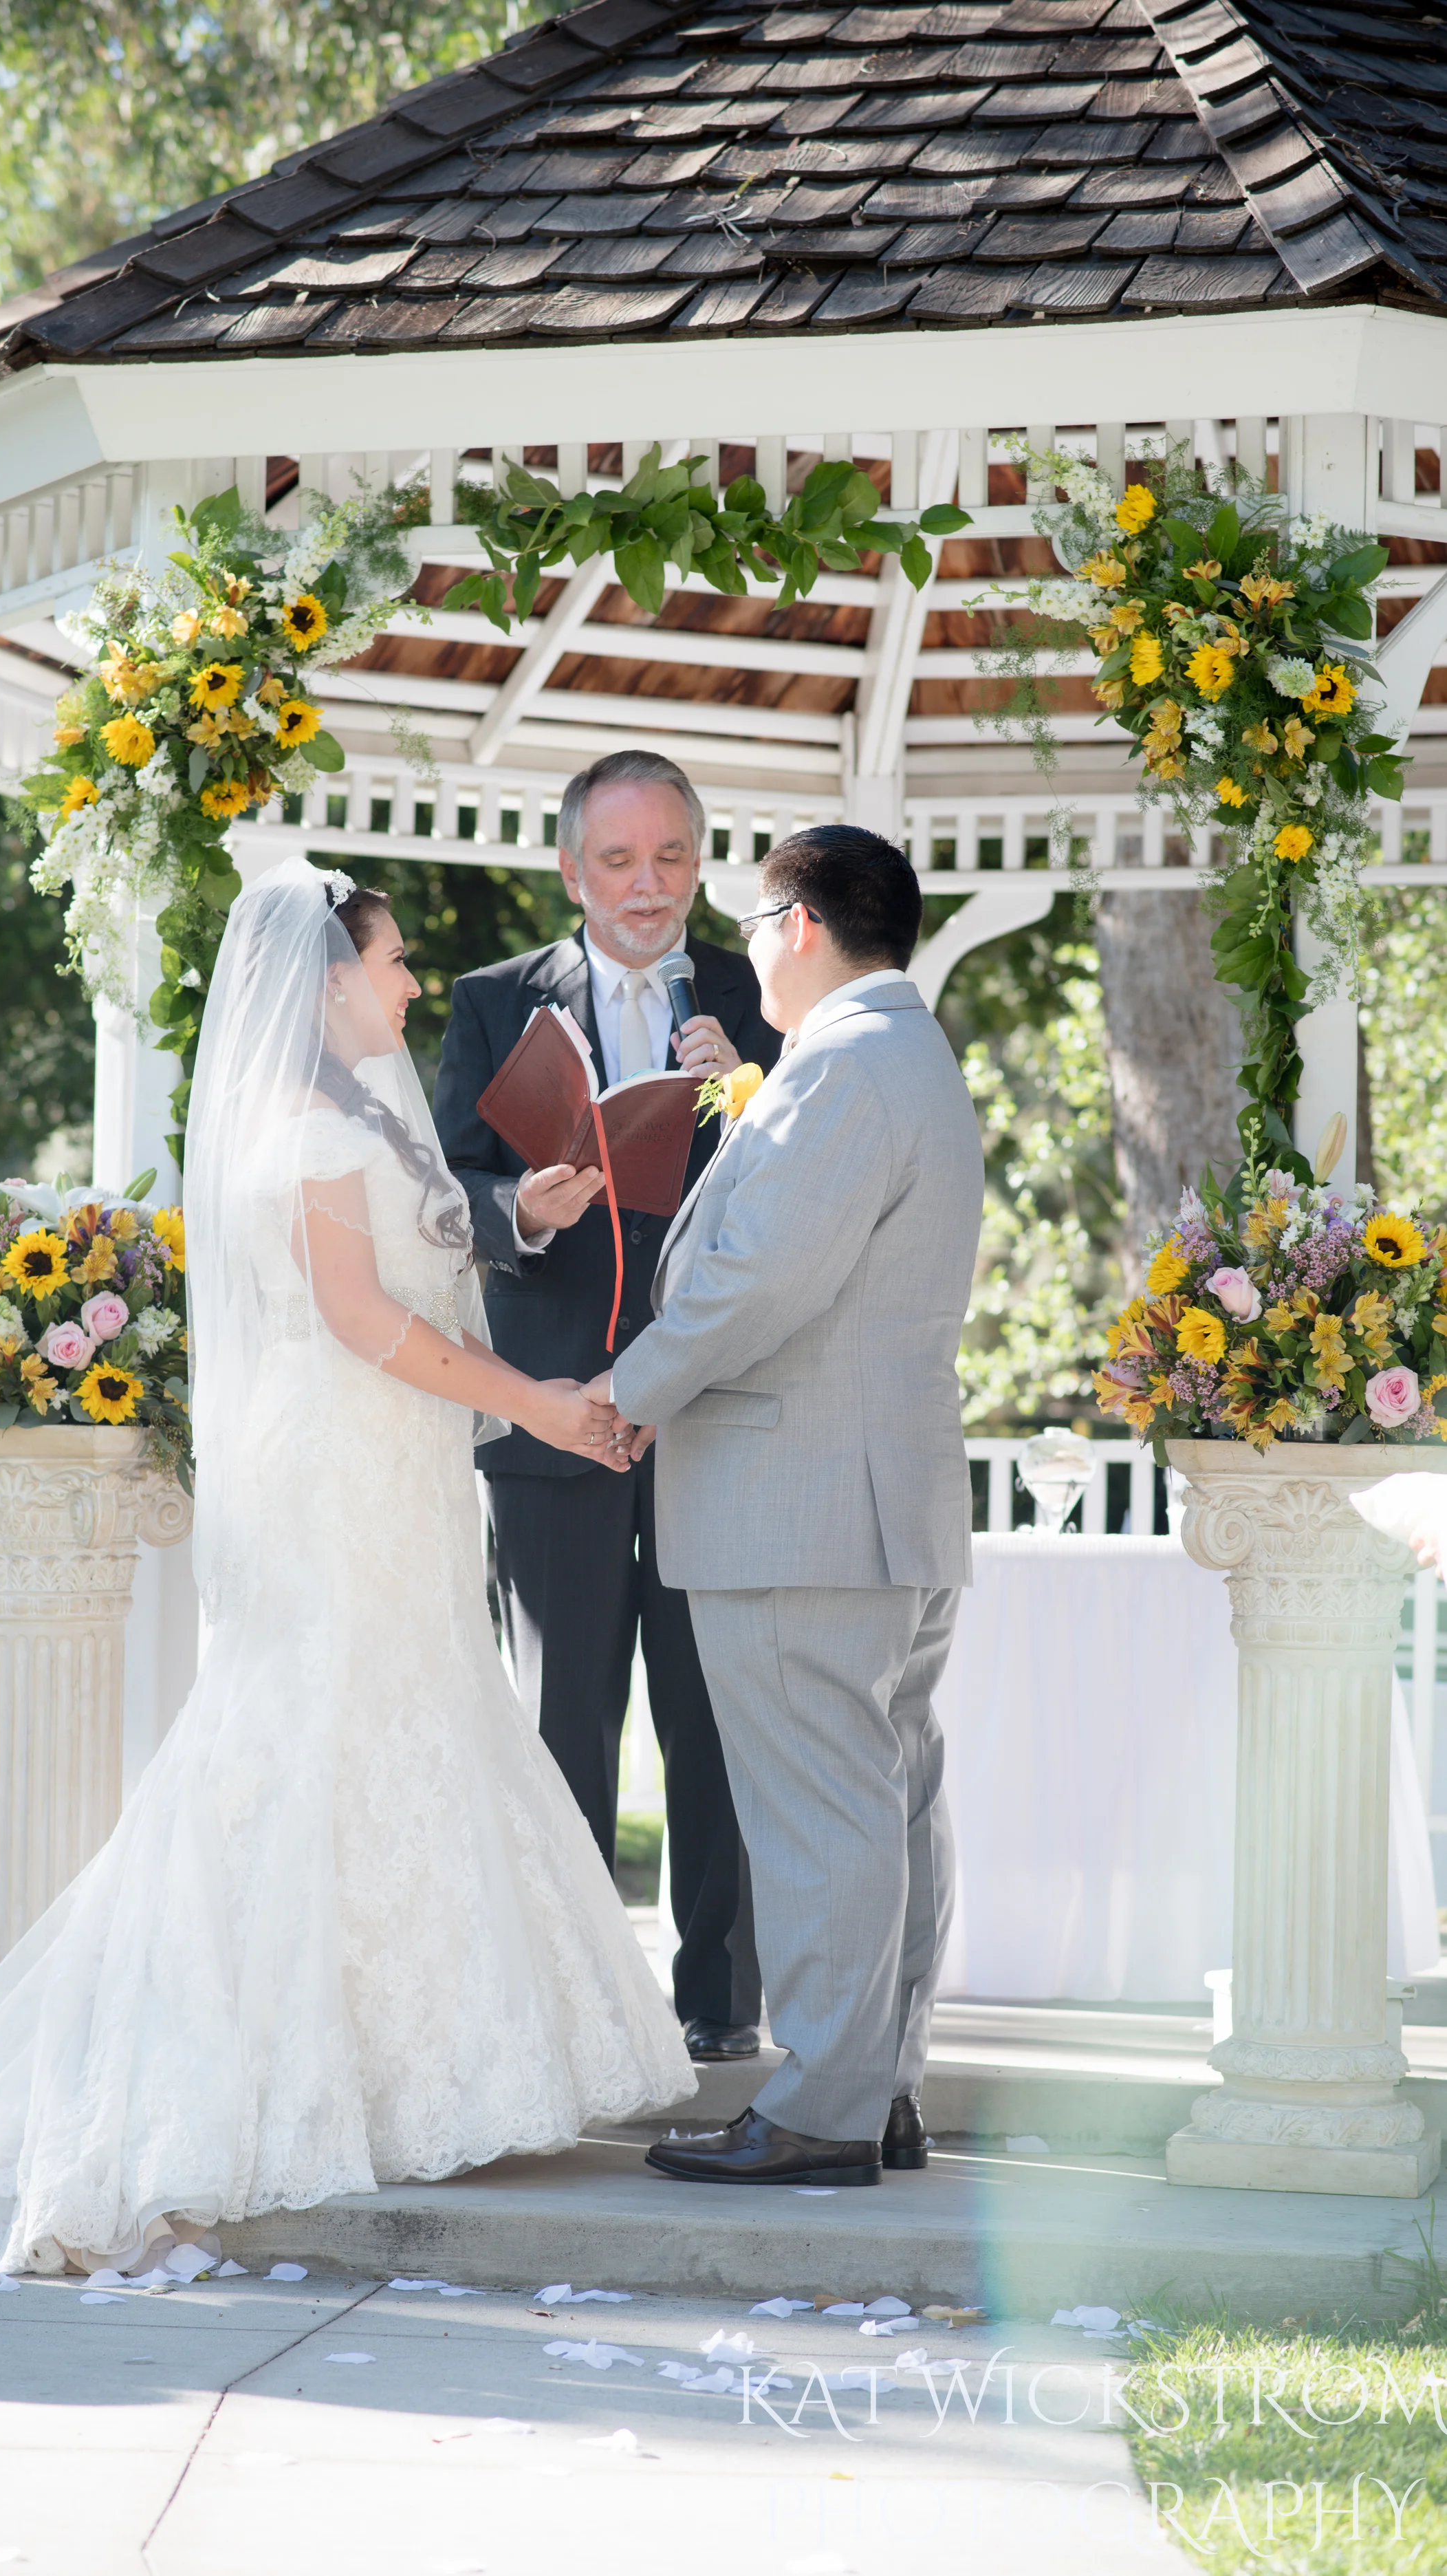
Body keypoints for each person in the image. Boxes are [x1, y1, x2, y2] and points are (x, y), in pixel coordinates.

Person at [0, 861, 694, 2273]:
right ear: (327, 978)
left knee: (402, 1724)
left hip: (391, 1471)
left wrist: (529, 1215)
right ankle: (250, 2071)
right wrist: (534, 1405)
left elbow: (427, 1260)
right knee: (308, 1733)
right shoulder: (306, 1134)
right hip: (336, 1472)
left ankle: (412, 2065)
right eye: (390, 962)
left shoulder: (356, 1116)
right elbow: (359, 1319)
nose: (406, 984)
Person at [595, 824, 983, 2187]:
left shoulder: (844, 1070)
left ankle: (821, 2106)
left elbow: (756, 1279)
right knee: (881, 1807)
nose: (744, 942)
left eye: (753, 918)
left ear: (801, 924)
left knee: (822, 1816)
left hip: (797, 1499)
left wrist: (625, 1392)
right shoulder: (900, 1058)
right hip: (877, 1501)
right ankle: (873, 2088)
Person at [433, 749, 781, 2064]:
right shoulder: (490, 1003)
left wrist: (748, 1082)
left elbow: (813, 1199)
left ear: (702, 863)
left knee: (716, 1722)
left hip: (714, 1418)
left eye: (672, 858)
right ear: (572, 869)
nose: (648, 886)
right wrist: (520, 1209)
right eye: (620, 860)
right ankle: (571, 2006)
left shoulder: (764, 1001)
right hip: (553, 1414)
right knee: (562, 1720)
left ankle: (721, 2009)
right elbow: (438, 1191)